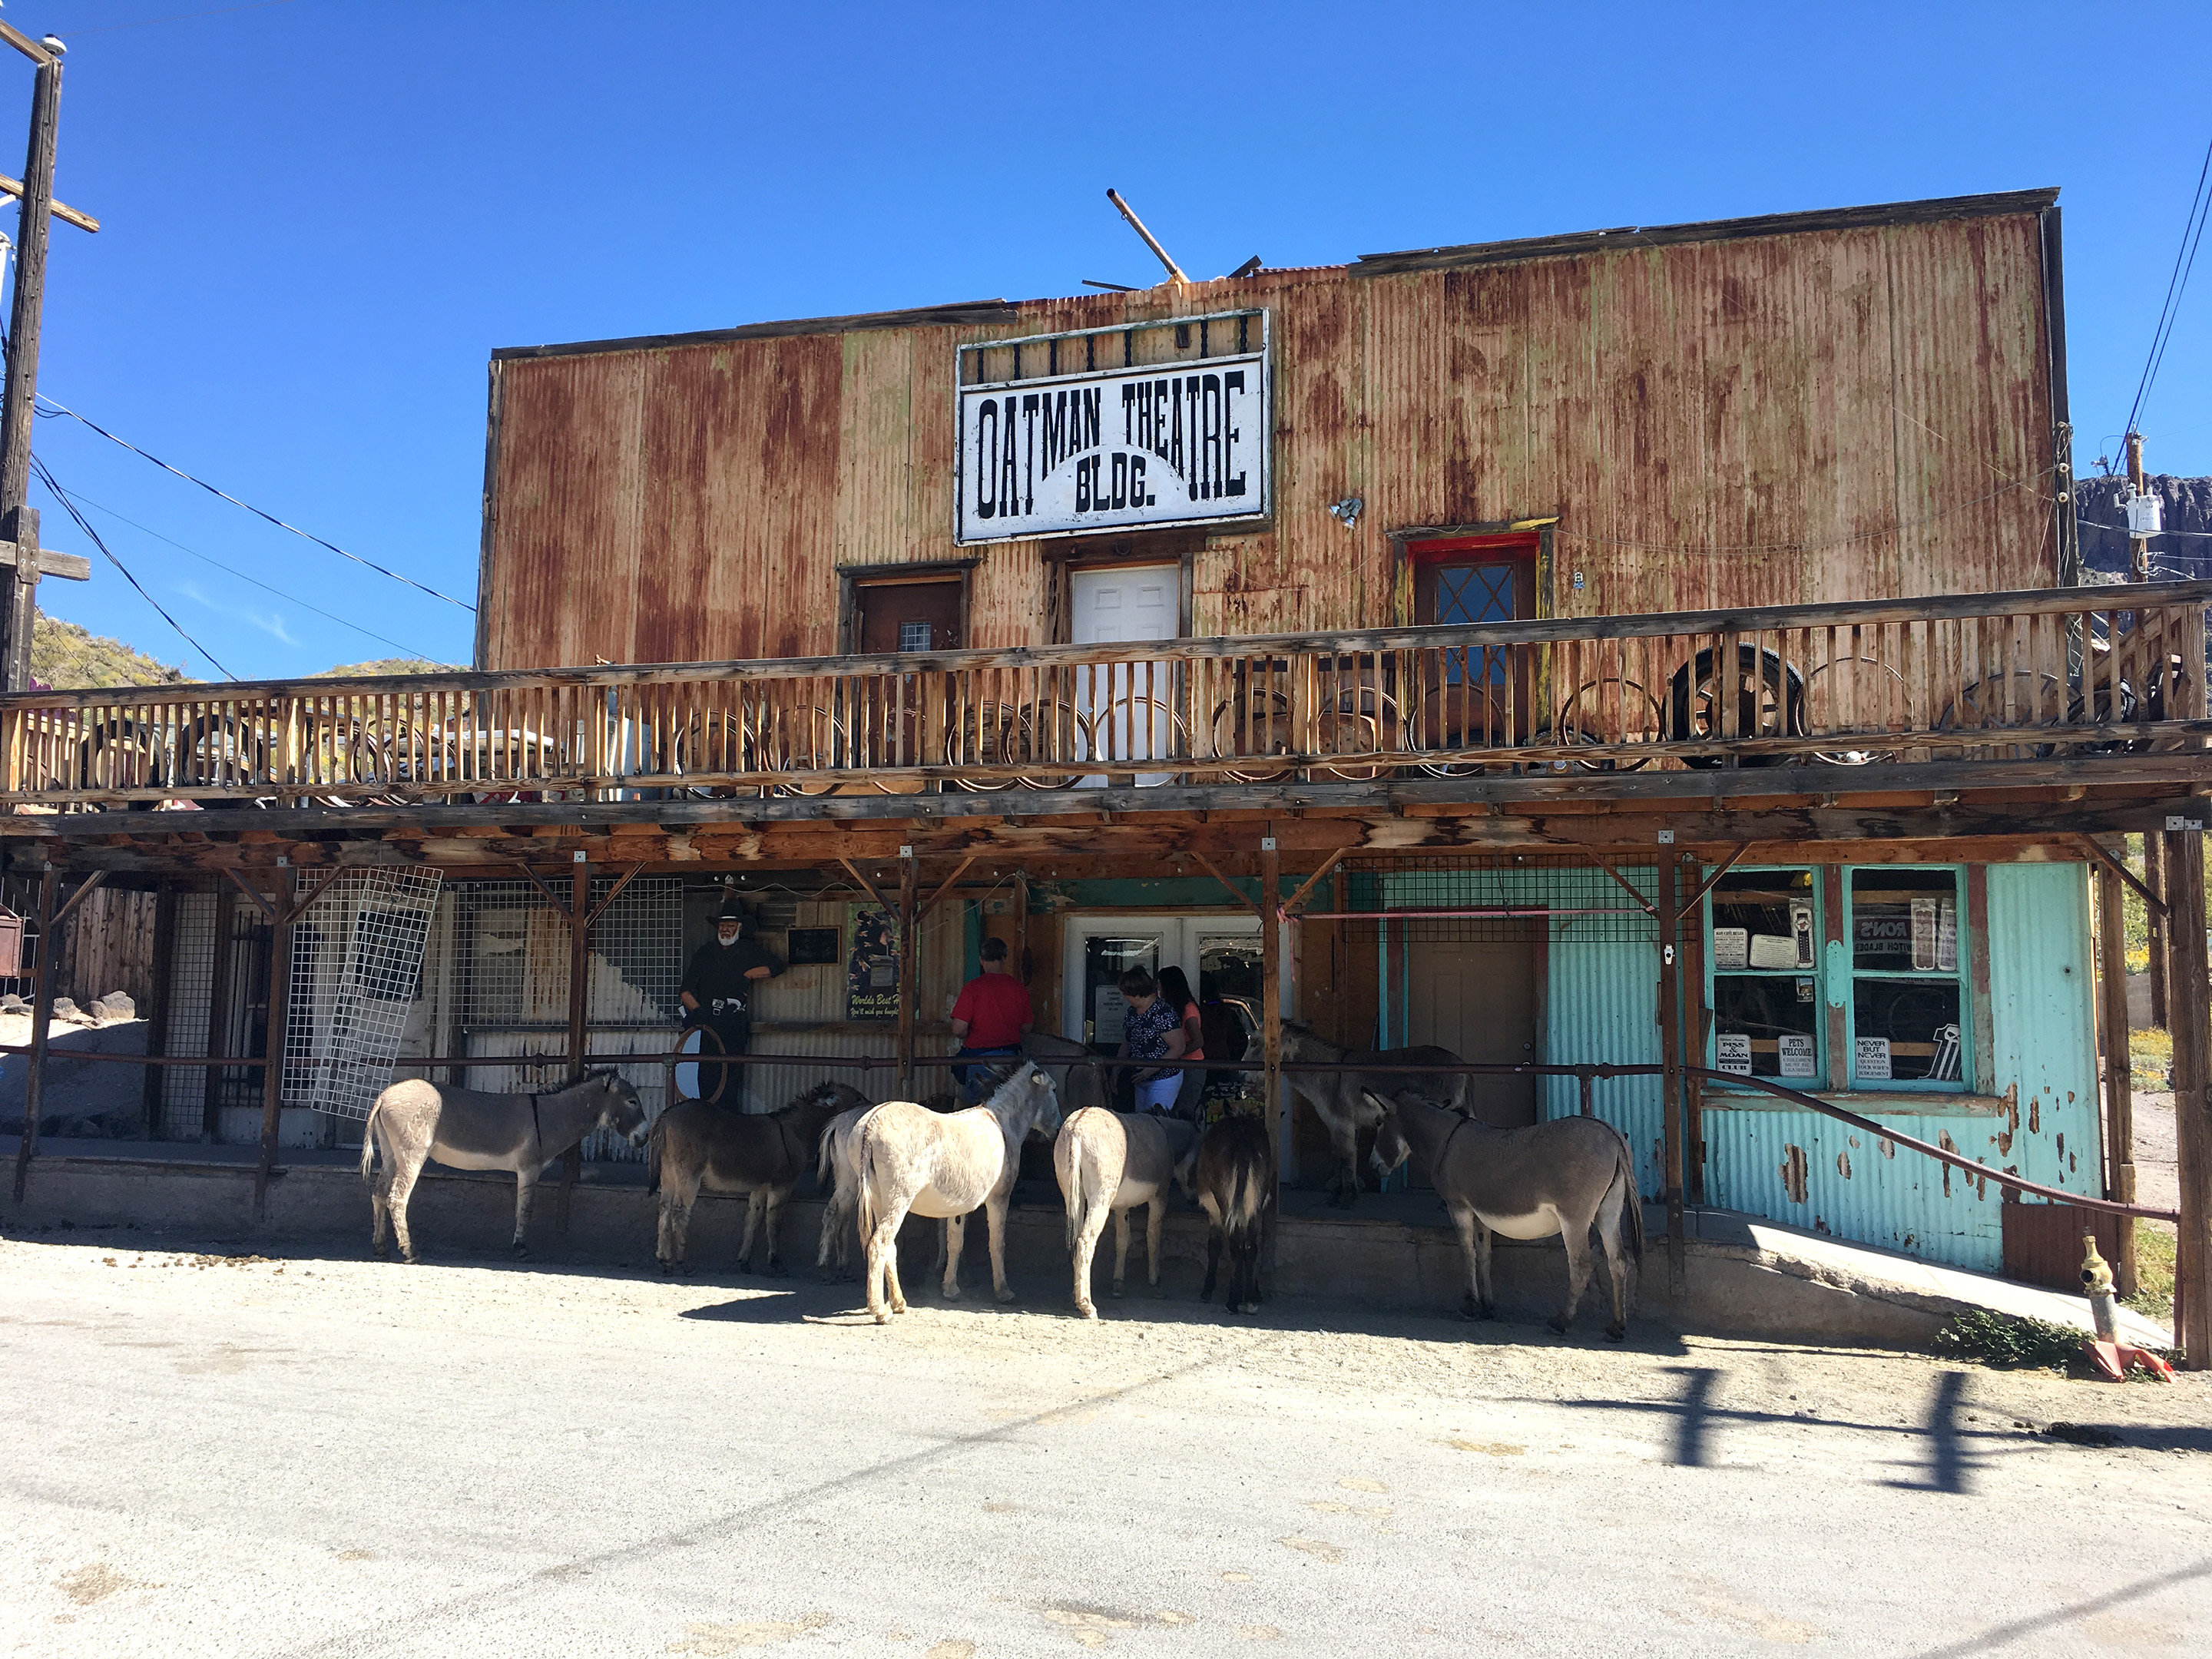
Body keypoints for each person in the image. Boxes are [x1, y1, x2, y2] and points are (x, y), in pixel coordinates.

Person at [679, 899, 781, 1100]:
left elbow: (777, 967)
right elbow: (685, 991)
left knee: (730, 1076)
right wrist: (699, 1013)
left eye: (730, 926)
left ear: (739, 928)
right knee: (703, 1074)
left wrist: (748, 974)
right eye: (723, 925)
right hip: (703, 1024)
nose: (726, 930)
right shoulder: (705, 953)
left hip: (733, 1024)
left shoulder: (749, 951)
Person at [949, 936, 1033, 1103]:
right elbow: (1027, 1027)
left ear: (981, 960)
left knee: (978, 1115)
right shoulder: (1018, 988)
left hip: (980, 1060)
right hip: (1011, 1060)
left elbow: (958, 1029)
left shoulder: (972, 988)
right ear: (1004, 959)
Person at [1115, 966, 1185, 1115]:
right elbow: (1126, 1043)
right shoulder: (1132, 1012)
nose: (1124, 997)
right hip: (1140, 1077)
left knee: (1155, 1120)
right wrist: (1116, 1071)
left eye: (1125, 993)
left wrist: (1152, 1069)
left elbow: (1178, 1047)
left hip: (1164, 1078)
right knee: (1141, 1121)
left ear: (1135, 993)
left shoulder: (1163, 1013)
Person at [1157, 965, 1207, 1118]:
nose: (1158, 989)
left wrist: (1177, 1051)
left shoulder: (1188, 1009)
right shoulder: (1171, 1007)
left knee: (1186, 1111)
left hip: (1192, 1067)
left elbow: (1198, 1041)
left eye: (1160, 985)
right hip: (1178, 1066)